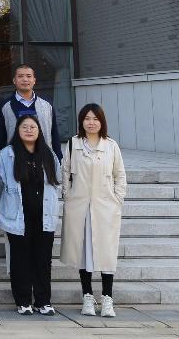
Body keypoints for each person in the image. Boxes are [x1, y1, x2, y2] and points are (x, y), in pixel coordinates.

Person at [61, 103, 127, 318]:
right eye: (87, 118)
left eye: (95, 119)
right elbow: (65, 171)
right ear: (81, 121)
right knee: (84, 253)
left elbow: (120, 174)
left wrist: (117, 199)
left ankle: (107, 298)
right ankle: (87, 296)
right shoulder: (73, 144)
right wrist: (68, 195)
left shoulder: (111, 145)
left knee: (107, 253)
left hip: (105, 208)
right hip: (80, 207)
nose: (91, 122)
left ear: (102, 122)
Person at [0, 114, 62, 316]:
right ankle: (23, 301)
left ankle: (43, 301)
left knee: (43, 260)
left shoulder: (48, 154)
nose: (29, 130)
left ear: (39, 130)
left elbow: (57, 181)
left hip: (44, 215)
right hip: (18, 215)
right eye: (24, 127)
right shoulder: (7, 154)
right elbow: (0, 185)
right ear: (17, 130)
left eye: (33, 127)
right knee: (20, 259)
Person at [0, 63, 62, 161]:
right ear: (14, 80)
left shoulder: (47, 105)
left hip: (44, 159)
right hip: (14, 160)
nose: (25, 79)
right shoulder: (5, 106)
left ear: (34, 80)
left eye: (29, 76)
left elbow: (54, 135)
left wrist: (58, 160)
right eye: (20, 76)